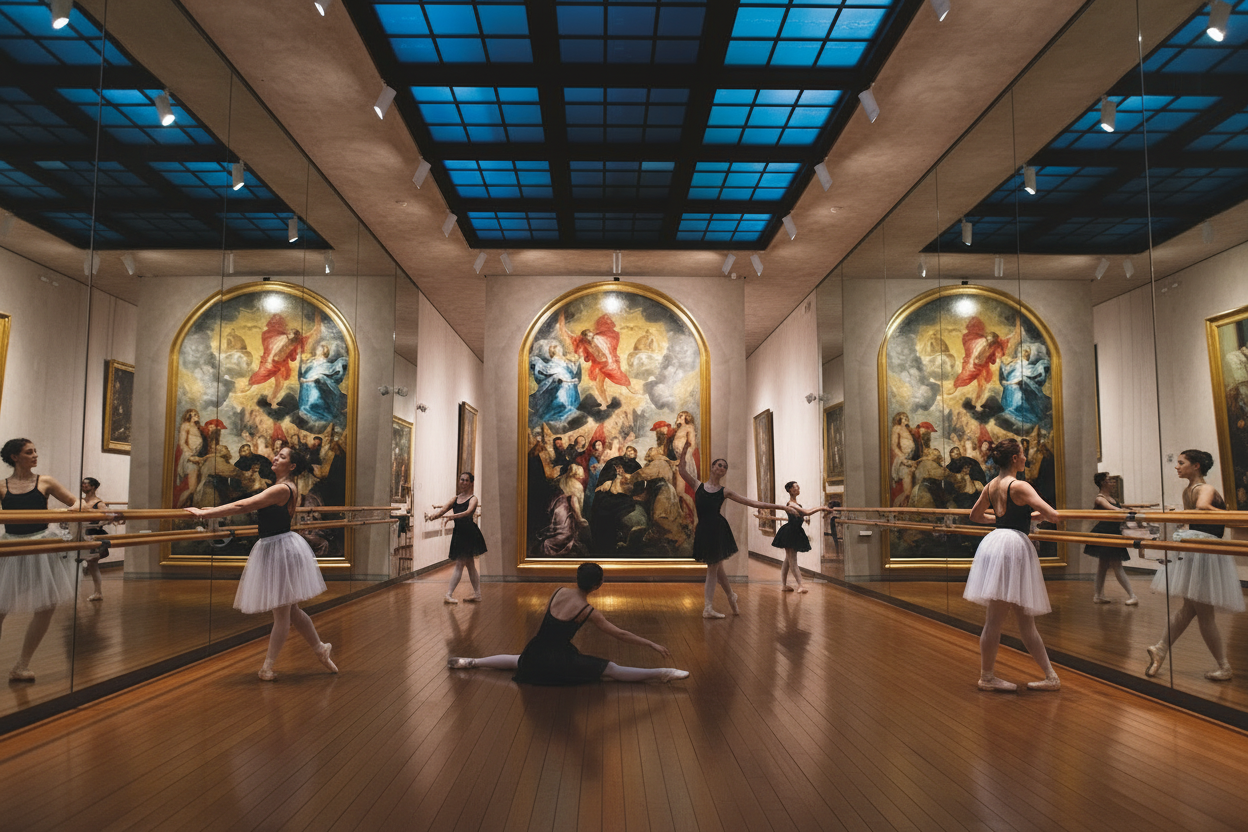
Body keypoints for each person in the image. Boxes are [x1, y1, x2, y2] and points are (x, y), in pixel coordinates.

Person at [186, 447, 337, 682]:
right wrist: (211, 510)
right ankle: (320, 649)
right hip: (276, 547)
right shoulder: (283, 487)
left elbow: (243, 506)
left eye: (282, 457)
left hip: (281, 550)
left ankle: (268, 666)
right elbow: (243, 504)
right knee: (292, 610)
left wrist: (207, 514)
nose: (275, 458)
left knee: (282, 612)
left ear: (292, 466)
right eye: (277, 454)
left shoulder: (281, 488)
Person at [447, 562, 688, 684]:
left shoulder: (559, 591)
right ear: (598, 586)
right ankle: (663, 673)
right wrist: (651, 644)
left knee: (515, 660)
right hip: (559, 662)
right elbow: (621, 634)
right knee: (611, 669)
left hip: (535, 652)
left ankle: (471, 662)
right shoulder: (588, 611)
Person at [963, 438, 1061, 692]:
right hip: (1015, 548)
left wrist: (1000, 520)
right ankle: (988, 677)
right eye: (1023, 455)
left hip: (997, 542)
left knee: (1007, 620)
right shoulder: (1020, 486)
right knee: (1009, 621)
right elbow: (1054, 515)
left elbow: (974, 516)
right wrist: (1042, 516)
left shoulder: (992, 485)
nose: (1026, 459)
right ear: (1015, 459)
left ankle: (1049, 676)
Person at [1145, 449, 1244, 682]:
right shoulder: (1199, 490)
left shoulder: (1198, 489)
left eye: (1181, 463)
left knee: (1191, 608)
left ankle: (1160, 649)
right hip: (1202, 550)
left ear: (1196, 466)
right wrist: (1229, 514)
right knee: (1203, 612)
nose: (1177, 467)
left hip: (1198, 549)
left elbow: (1198, 509)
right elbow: (1201, 508)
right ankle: (1223, 666)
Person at [676, 445, 792, 619]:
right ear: (712, 468)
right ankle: (731, 595)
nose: (721, 467)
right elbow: (682, 470)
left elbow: (752, 503)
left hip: (717, 529)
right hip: (704, 530)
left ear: (724, 472)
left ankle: (708, 608)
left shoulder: (725, 491)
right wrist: (684, 452)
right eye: (719, 465)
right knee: (717, 566)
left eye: (724, 467)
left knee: (712, 567)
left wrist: (782, 506)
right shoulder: (698, 485)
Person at [0, 438, 80, 681]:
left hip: (41, 545)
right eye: (29, 452)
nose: (35, 455)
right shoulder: (2, 486)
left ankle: (22, 665)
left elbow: (76, 502)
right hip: (12, 546)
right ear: (15, 457)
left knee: (45, 607)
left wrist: (71, 510)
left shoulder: (45, 481)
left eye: (35, 451)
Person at [426, 472, 486, 604]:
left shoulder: (473, 499)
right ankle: (477, 594)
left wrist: (452, 517)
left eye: (466, 480)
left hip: (469, 533)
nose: (463, 482)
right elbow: (442, 511)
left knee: (460, 563)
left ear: (471, 483)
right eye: (462, 480)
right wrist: (432, 516)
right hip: (459, 533)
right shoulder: (455, 499)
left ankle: (449, 594)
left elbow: (468, 512)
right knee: (470, 564)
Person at [1084, 472, 1137, 605]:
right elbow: (1113, 510)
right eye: (1109, 480)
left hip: (1113, 532)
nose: (1112, 482)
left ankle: (1098, 595)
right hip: (1105, 533)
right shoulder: (1100, 498)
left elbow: (1118, 507)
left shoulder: (1110, 497)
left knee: (1103, 566)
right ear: (1102, 482)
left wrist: (1129, 508)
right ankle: (1132, 595)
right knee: (1116, 565)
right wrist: (1127, 511)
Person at [770, 481, 832, 593]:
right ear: (790, 490)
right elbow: (806, 512)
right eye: (796, 487)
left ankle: (784, 585)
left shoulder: (796, 503)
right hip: (790, 532)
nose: (798, 488)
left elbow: (803, 514)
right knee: (792, 560)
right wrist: (821, 507)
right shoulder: (791, 504)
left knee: (788, 560)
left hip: (795, 532)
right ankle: (800, 585)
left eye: (798, 486)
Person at [72, 477, 112, 602]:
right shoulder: (81, 501)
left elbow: (107, 517)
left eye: (86, 484)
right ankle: (84, 592)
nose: (83, 486)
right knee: (82, 563)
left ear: (93, 487)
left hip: (93, 534)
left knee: (92, 563)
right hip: (81, 534)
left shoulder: (99, 503)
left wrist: (97, 524)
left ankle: (98, 592)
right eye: (82, 484)